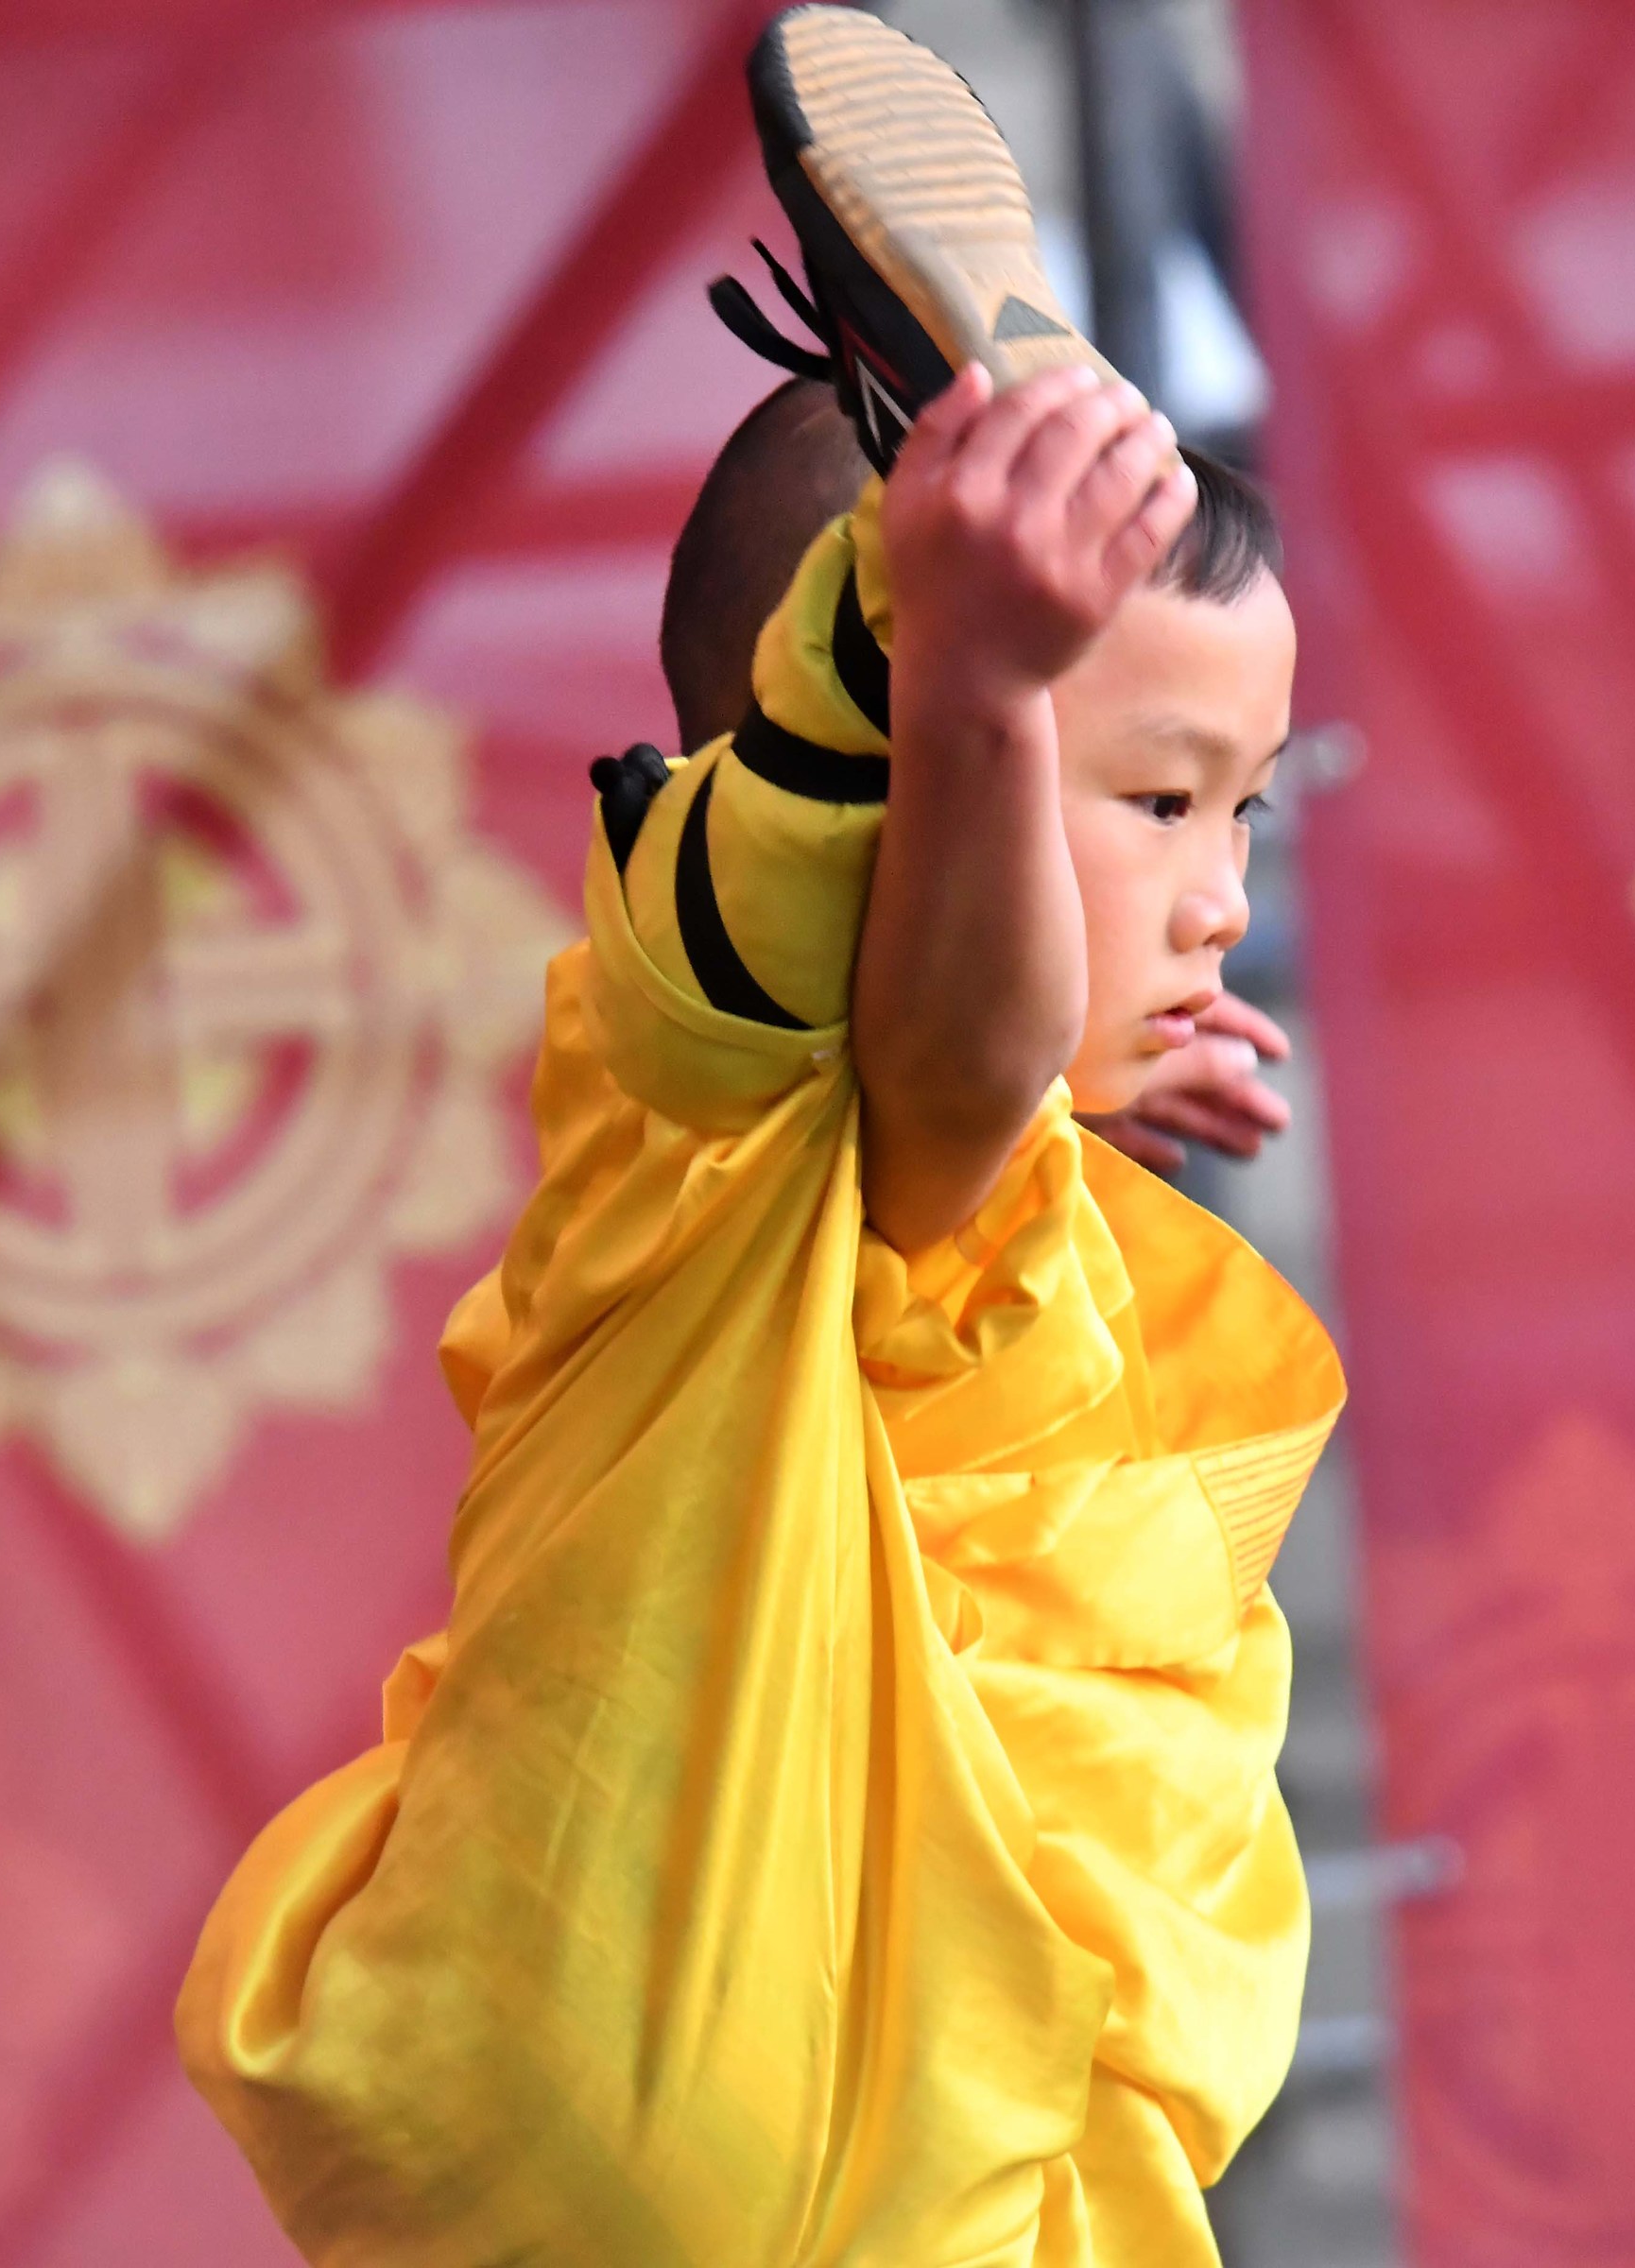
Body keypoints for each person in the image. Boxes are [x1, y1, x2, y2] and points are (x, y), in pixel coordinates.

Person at [177, 10, 1344, 2264]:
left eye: (1244, 807)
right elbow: (931, 1022)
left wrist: (1063, 1110)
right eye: (1156, 795)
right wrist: (977, 671)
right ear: (858, 727)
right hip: (672, 2104)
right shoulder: (692, 1087)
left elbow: (965, 1060)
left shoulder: (971, 1190)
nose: (1222, 884)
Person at [660, 376, 1294, 1181]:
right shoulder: (805, 1154)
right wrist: (1013, 1076)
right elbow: (954, 1074)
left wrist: (1052, 1095)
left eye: (1244, 805)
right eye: (1164, 804)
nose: (1229, 911)